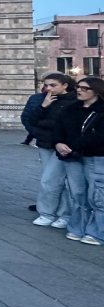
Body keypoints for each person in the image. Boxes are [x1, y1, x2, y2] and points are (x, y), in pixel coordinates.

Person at [56, 77, 104, 246]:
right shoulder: (69, 109)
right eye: (78, 87)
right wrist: (58, 143)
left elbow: (99, 136)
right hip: (72, 157)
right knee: (76, 193)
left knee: (97, 195)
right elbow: (58, 129)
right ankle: (77, 227)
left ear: (96, 91)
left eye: (84, 88)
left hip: (96, 156)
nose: (79, 90)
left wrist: (72, 145)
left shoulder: (101, 111)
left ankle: (97, 232)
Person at [32, 73, 78, 227]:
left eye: (53, 85)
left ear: (65, 85)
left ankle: (61, 214)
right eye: (46, 85)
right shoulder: (45, 100)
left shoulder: (74, 101)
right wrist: (43, 107)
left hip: (64, 145)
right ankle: (50, 213)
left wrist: (46, 123)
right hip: (46, 143)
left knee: (55, 180)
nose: (48, 88)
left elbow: (66, 124)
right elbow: (33, 120)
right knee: (50, 179)